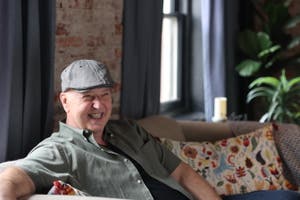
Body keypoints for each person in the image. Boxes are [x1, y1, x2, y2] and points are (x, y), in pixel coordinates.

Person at [0, 59, 221, 200]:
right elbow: (10, 180)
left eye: (105, 95)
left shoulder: (130, 130)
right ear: (65, 101)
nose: (99, 105)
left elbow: (182, 174)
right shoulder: (60, 150)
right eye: (88, 97)